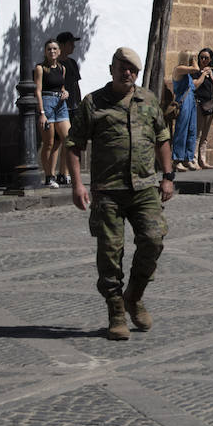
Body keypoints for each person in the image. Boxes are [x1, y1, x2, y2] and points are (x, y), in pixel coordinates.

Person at [67, 47, 172, 341]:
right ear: (111, 68)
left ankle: (134, 296)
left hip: (144, 187)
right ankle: (115, 311)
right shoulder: (94, 102)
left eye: (133, 70)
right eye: (122, 67)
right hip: (108, 191)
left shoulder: (148, 100)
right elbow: (74, 145)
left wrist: (168, 176)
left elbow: (162, 138)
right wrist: (77, 185)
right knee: (110, 254)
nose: (127, 73)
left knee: (153, 239)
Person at [34, 38, 71, 187]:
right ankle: (49, 176)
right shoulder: (40, 68)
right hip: (47, 103)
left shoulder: (62, 68)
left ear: (59, 51)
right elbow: (38, 90)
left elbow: (61, 87)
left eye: (55, 49)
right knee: (48, 143)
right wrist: (41, 112)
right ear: (45, 52)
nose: (52, 51)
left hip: (61, 104)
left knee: (68, 140)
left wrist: (65, 92)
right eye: (49, 49)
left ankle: (64, 174)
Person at [168, 53, 206, 171]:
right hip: (183, 102)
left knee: (192, 130)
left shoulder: (188, 75)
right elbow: (195, 68)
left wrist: (204, 74)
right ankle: (177, 159)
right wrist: (194, 59)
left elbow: (195, 85)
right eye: (191, 58)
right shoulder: (179, 69)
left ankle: (187, 158)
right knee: (182, 130)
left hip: (191, 102)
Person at [193, 48, 213, 170]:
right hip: (199, 104)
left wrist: (212, 76)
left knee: (205, 135)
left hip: (209, 105)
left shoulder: (212, 72)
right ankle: (194, 159)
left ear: (211, 59)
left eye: (206, 58)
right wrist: (203, 74)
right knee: (197, 133)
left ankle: (203, 160)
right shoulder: (196, 71)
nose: (203, 60)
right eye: (201, 57)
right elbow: (195, 85)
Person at [55, 31, 83, 124]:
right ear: (61, 45)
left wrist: (80, 105)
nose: (73, 46)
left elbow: (76, 84)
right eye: (70, 43)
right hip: (57, 107)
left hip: (72, 107)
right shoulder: (53, 64)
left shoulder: (72, 63)